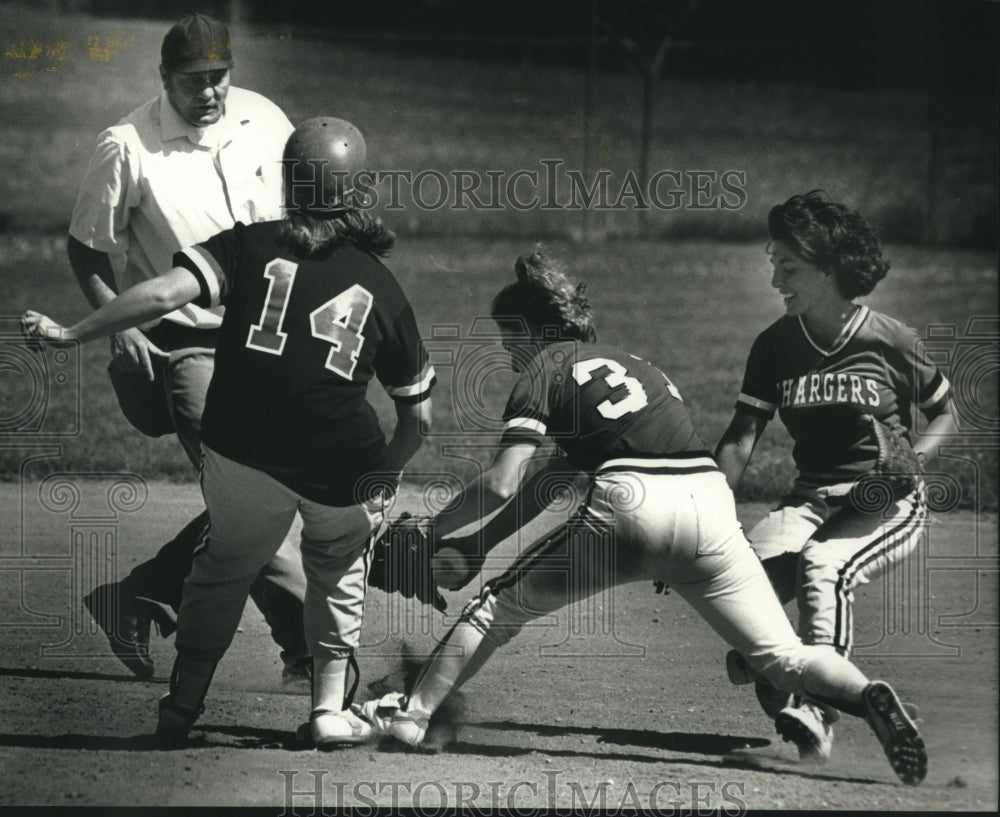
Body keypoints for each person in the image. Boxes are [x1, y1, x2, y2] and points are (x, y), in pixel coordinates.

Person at [353, 248, 928, 786]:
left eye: (510, 338)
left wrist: (435, 531)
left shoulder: (542, 370)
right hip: (708, 507)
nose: (507, 353)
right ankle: (867, 692)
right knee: (783, 656)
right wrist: (478, 545)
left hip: (630, 505)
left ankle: (410, 717)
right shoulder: (637, 366)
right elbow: (552, 481)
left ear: (532, 332)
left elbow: (504, 482)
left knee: (495, 610)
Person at [24, 117, 436, 748]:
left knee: (223, 567)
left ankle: (180, 708)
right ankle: (329, 710)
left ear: (288, 185)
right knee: (338, 568)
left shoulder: (247, 243)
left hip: (240, 446)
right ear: (359, 193)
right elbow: (419, 417)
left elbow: (162, 294)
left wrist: (73, 334)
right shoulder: (382, 285)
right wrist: (381, 478)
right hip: (338, 463)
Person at [66, 13, 308, 682]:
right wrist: (120, 325)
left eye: (219, 77)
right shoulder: (127, 144)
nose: (210, 92)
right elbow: (87, 248)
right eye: (193, 80)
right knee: (250, 496)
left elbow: (297, 223)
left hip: (264, 342)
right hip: (184, 346)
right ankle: (313, 653)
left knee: (268, 492)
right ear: (163, 78)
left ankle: (138, 594)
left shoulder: (264, 117)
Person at [713, 191, 956, 764]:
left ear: (829, 267)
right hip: (811, 498)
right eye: (773, 264)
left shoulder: (890, 339)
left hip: (883, 496)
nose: (776, 279)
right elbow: (741, 438)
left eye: (788, 266)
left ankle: (819, 710)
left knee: (824, 567)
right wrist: (704, 515)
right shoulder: (775, 345)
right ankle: (851, 699)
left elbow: (947, 413)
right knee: (741, 596)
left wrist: (913, 461)